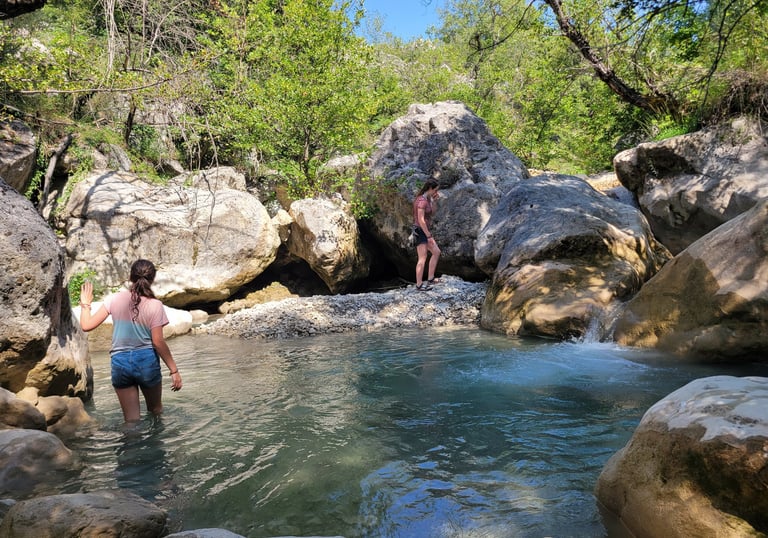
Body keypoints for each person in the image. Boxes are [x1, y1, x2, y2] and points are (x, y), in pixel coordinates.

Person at [79, 259, 182, 423]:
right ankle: (155, 447)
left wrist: (85, 304)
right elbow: (158, 342)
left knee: (131, 421)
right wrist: (174, 370)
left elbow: (86, 325)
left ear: (130, 277)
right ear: (152, 279)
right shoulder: (155, 305)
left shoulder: (114, 299)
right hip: (146, 361)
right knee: (156, 411)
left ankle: (131, 447)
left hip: (120, 362)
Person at [412, 179, 442, 291]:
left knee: (436, 252)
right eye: (435, 190)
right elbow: (420, 220)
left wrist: (434, 201)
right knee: (422, 258)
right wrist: (428, 235)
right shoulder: (422, 201)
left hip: (424, 230)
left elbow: (432, 213)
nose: (436, 192)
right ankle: (419, 284)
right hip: (420, 231)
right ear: (430, 188)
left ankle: (430, 278)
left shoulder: (427, 199)